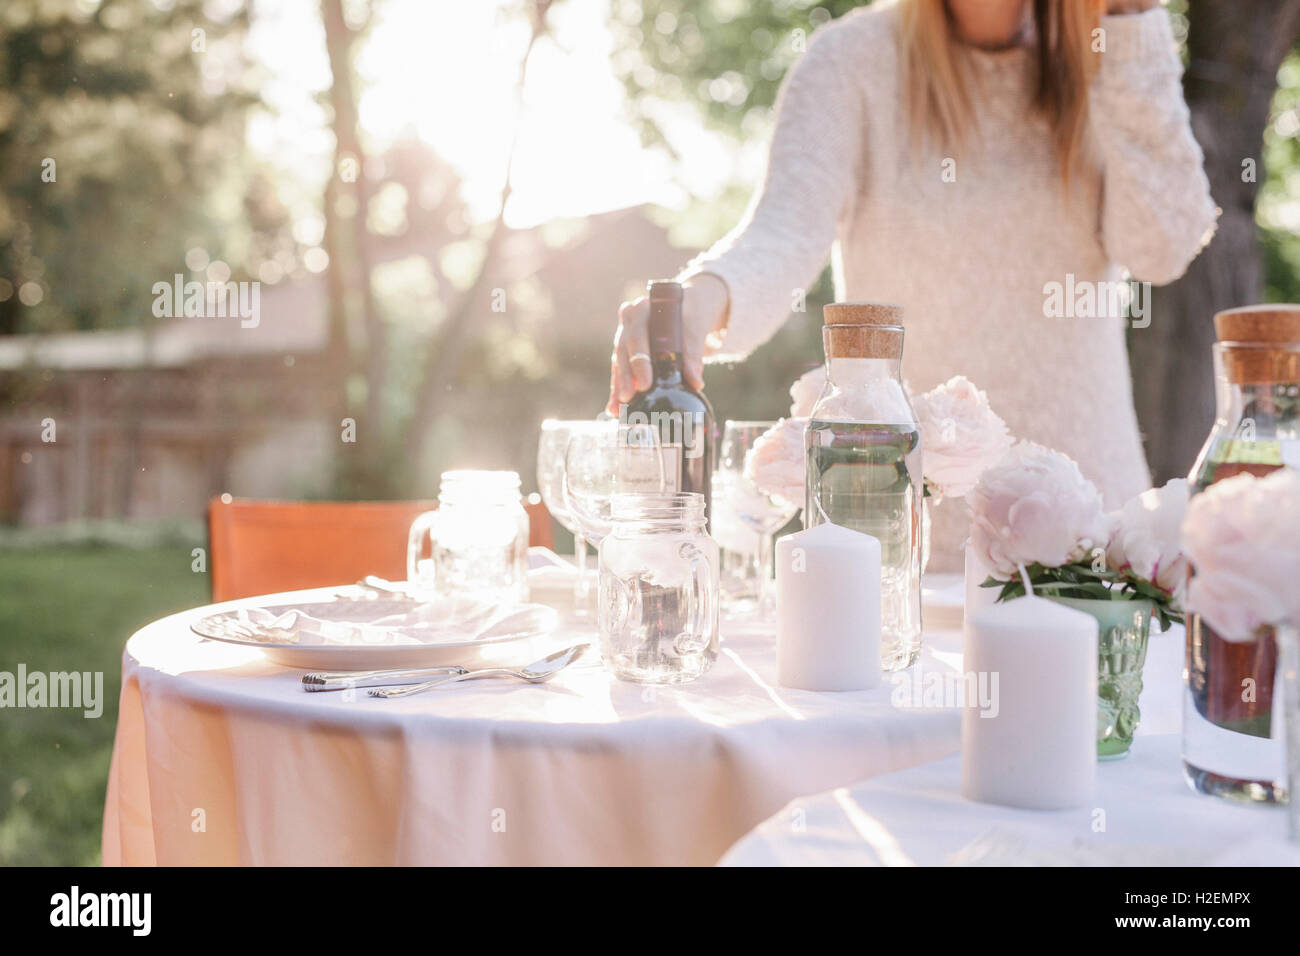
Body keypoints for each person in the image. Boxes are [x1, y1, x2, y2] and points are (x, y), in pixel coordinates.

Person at [606, 0, 1216, 569]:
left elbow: (1163, 247)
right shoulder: (851, 61)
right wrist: (698, 301)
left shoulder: (1110, 48)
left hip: (1092, 544)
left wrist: (1134, 21)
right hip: (906, 544)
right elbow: (783, 232)